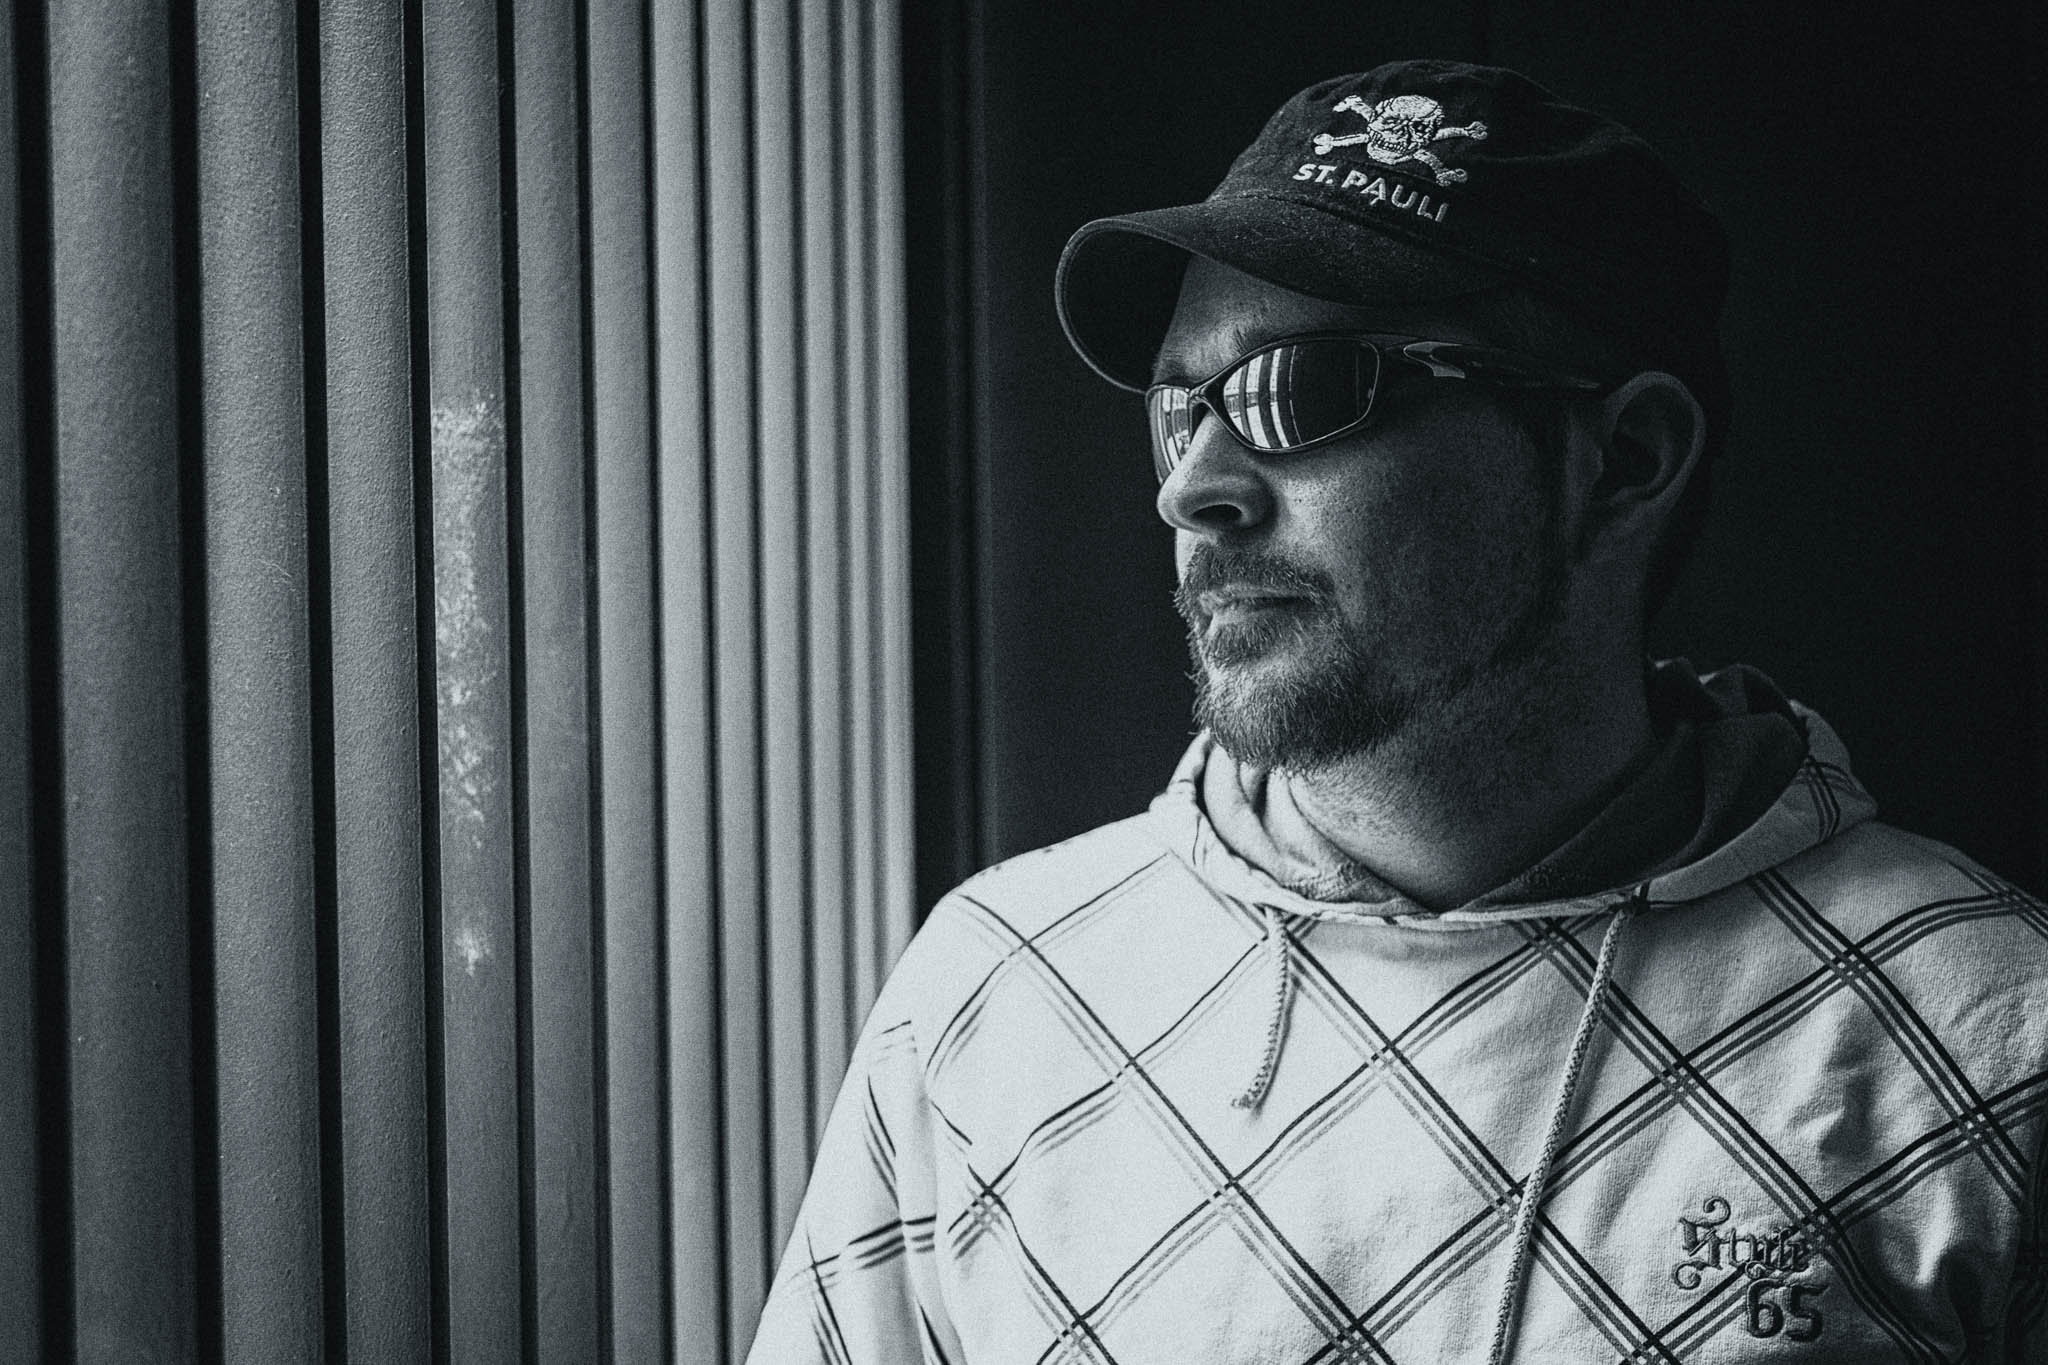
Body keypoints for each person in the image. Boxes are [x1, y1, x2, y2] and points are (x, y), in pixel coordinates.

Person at [745, 60, 2048, 1362]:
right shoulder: (997, 998)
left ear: (1627, 458)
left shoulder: (1986, 1034)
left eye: (1301, 392)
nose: (1192, 491)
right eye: (1178, 408)